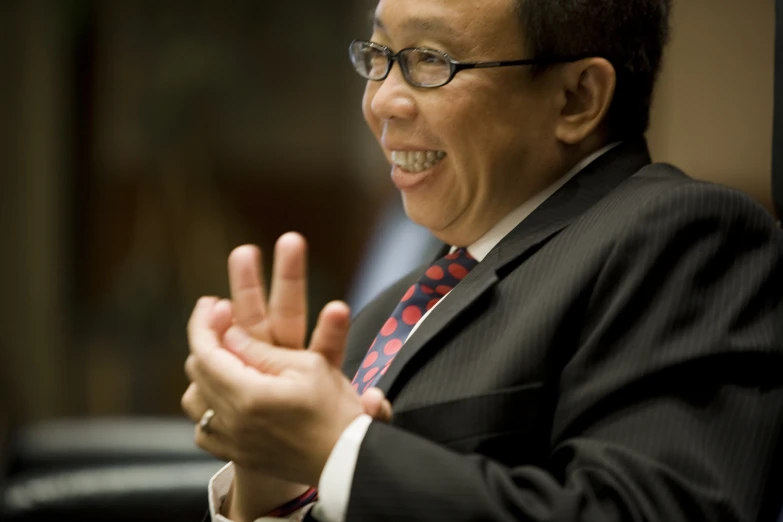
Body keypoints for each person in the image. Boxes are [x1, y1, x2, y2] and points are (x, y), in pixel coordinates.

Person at [182, 0, 783, 520]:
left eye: (429, 61)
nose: (383, 101)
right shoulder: (390, 310)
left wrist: (341, 448)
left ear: (577, 98)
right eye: (379, 54)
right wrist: (274, 484)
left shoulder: (683, 239)